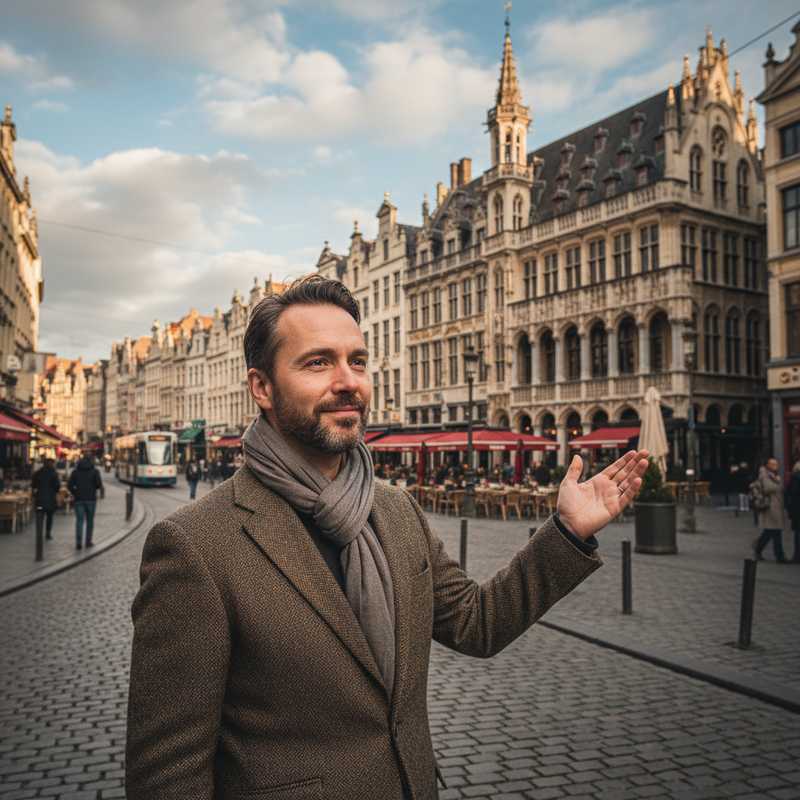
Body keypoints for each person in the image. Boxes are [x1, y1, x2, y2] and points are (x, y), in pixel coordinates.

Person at [126, 274, 649, 800]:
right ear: (262, 387)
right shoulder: (196, 546)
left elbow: (476, 623)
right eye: (317, 362)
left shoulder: (395, 509)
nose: (348, 380)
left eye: (357, 360)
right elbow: (167, 775)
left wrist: (567, 532)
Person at [752, 457, 788, 563]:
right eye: (772, 464)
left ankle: (759, 549)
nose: (775, 466)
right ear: (767, 465)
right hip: (770, 507)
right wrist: (779, 484)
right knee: (774, 531)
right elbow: (767, 488)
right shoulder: (765, 475)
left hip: (776, 506)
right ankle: (779, 556)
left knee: (771, 531)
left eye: (776, 464)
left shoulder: (773, 475)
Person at [67, 454, 104, 549]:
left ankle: (78, 543)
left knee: (79, 521)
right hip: (91, 499)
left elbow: (69, 485)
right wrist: (92, 488)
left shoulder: (75, 472)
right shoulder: (95, 471)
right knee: (90, 521)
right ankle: (88, 541)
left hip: (79, 499)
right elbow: (99, 485)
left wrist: (75, 492)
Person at [32, 458, 60, 540]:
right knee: (49, 517)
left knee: (40, 516)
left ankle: (39, 532)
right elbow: (57, 487)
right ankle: (48, 533)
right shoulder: (54, 474)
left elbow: (33, 485)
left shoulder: (37, 473)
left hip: (40, 500)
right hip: (50, 500)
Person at [784, 461, 800, 563]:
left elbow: (791, 493)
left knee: (798, 533)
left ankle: (797, 556)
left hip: (797, 509)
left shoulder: (795, 478)